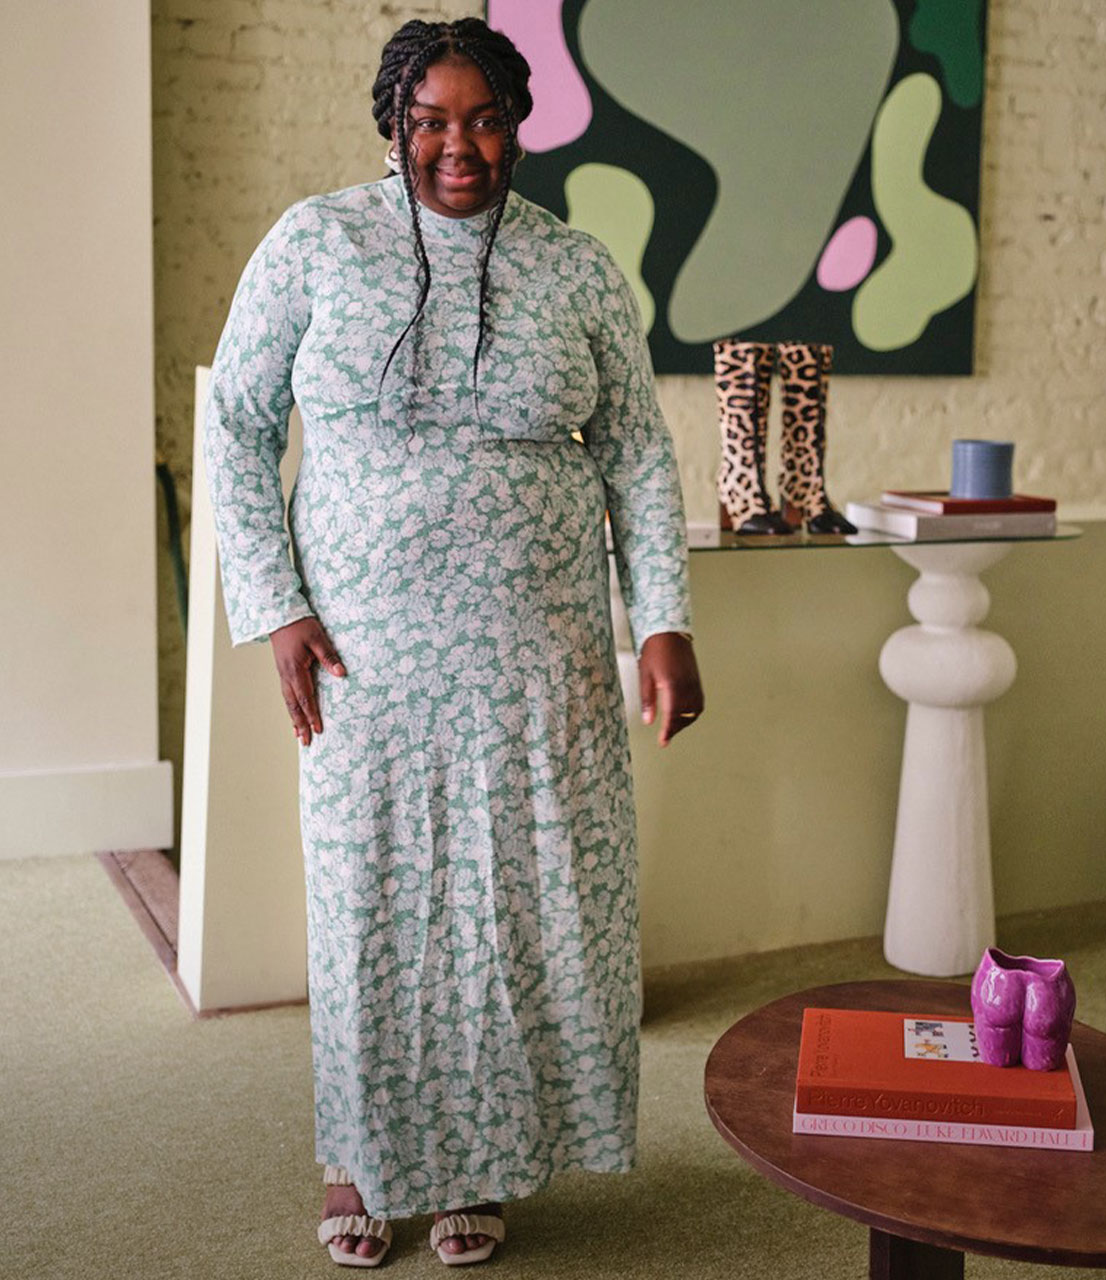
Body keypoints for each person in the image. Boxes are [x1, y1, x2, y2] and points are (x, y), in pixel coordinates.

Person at [202, 17, 703, 1268]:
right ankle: (361, 1158)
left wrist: (664, 620)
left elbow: (637, 450)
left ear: (517, 123)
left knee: (513, 904)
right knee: (374, 898)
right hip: (364, 654)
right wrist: (275, 605)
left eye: (481, 118)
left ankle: (480, 1159)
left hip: (541, 657)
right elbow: (236, 423)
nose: (456, 146)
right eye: (429, 120)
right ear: (392, 125)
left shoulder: (576, 267)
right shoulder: (316, 242)